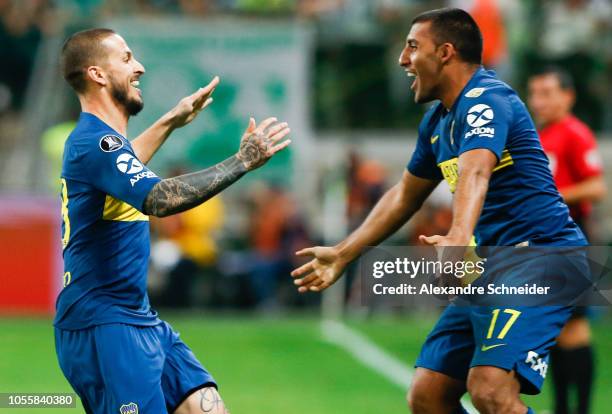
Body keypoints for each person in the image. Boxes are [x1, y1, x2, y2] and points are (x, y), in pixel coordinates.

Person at [291, 8, 587, 414]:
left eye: (413, 47)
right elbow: (404, 195)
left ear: (446, 52)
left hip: (542, 257)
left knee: (491, 391)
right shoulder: (436, 122)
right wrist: (345, 251)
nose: (402, 59)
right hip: (490, 268)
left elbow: (476, 170)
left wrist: (457, 239)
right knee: (427, 396)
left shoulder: (488, 99)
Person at [54, 28, 291, 413]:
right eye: (127, 58)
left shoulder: (102, 144)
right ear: (97, 74)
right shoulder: (95, 142)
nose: (140, 67)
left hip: (136, 317)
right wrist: (242, 161)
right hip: (105, 325)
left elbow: (126, 165)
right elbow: (159, 199)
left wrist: (170, 120)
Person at [528, 67, 606, 414]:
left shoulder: (575, 133)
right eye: (535, 93)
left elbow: (597, 187)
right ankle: (561, 407)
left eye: (547, 93)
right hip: (547, 243)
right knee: (556, 328)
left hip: (571, 240)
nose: (538, 101)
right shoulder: (541, 135)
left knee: (574, 328)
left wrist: (553, 195)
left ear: (568, 96)